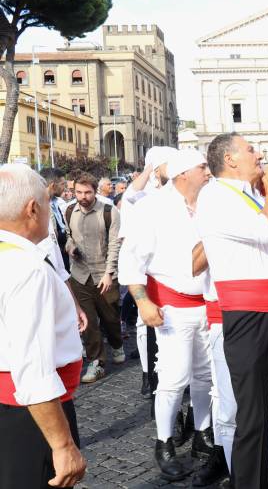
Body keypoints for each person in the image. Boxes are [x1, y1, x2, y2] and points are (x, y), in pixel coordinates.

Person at [196, 133, 268, 489]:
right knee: (254, 415)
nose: (259, 155)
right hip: (248, 315)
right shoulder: (214, 196)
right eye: (250, 150)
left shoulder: (256, 196)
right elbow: (262, 232)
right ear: (229, 159)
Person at [119, 150, 214, 482]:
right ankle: (165, 442)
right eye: (203, 167)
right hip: (173, 306)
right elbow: (131, 260)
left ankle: (202, 432)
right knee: (174, 377)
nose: (208, 172)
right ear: (183, 173)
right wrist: (143, 302)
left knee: (205, 375)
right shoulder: (153, 207)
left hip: (208, 304)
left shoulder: (210, 203)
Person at [0, 163, 87, 488]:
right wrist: (62, 445)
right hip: (28, 415)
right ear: (32, 209)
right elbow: (34, 368)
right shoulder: (27, 269)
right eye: (48, 203)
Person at [119, 146, 177, 398]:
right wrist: (150, 167)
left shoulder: (177, 189)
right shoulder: (144, 194)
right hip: (146, 268)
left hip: (174, 268)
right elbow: (130, 196)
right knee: (145, 324)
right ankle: (147, 373)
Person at [66, 173, 125, 383]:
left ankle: (117, 344)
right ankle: (96, 362)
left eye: (87, 192)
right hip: (80, 275)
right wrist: (70, 248)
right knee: (88, 322)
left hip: (104, 274)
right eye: (79, 192)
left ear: (95, 192)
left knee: (110, 318)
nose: (83, 196)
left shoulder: (109, 212)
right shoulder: (69, 211)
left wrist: (109, 274)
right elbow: (69, 237)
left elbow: (115, 245)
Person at [40, 168, 70, 269]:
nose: (65, 188)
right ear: (53, 185)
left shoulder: (58, 202)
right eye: (62, 184)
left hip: (64, 251)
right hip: (52, 255)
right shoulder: (40, 206)